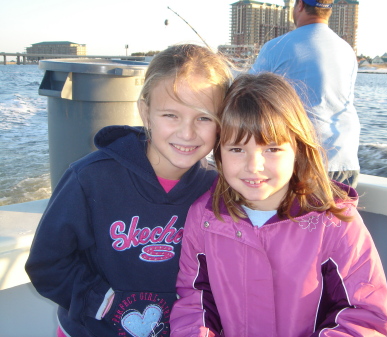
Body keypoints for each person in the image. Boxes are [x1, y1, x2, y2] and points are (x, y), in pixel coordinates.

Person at [25, 44, 233, 337]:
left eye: (204, 117)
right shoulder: (90, 178)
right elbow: (47, 263)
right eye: (171, 115)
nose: (187, 133)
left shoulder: (217, 191)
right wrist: (102, 302)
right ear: (144, 110)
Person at [170, 73, 387, 337]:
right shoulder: (203, 218)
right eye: (237, 150)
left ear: (297, 149)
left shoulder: (336, 224)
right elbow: (195, 303)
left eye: (271, 149)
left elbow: (362, 316)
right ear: (218, 153)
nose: (254, 166)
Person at [249, 0, 361, 188]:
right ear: (329, 9)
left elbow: (245, 95)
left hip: (303, 160)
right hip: (345, 159)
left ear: (300, 5)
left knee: (299, 218)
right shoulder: (347, 50)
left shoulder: (277, 46)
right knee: (337, 217)